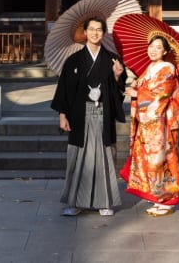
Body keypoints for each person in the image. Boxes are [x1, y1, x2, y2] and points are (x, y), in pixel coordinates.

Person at [51, 16, 127, 217]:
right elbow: (64, 90)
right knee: (78, 158)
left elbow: (119, 91)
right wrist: (62, 115)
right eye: (91, 29)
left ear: (104, 33)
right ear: (84, 33)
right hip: (79, 116)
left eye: (99, 29)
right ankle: (76, 201)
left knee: (105, 158)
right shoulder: (73, 60)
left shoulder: (112, 59)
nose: (95, 33)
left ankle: (105, 201)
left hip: (103, 114)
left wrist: (118, 76)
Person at [121, 33, 179, 216]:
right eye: (151, 46)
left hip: (160, 124)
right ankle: (159, 198)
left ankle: (168, 200)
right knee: (150, 161)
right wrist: (136, 84)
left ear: (165, 51)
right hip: (148, 123)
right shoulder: (150, 67)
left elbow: (161, 95)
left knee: (161, 161)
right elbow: (145, 87)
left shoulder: (168, 68)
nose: (153, 50)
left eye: (158, 47)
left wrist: (137, 93)